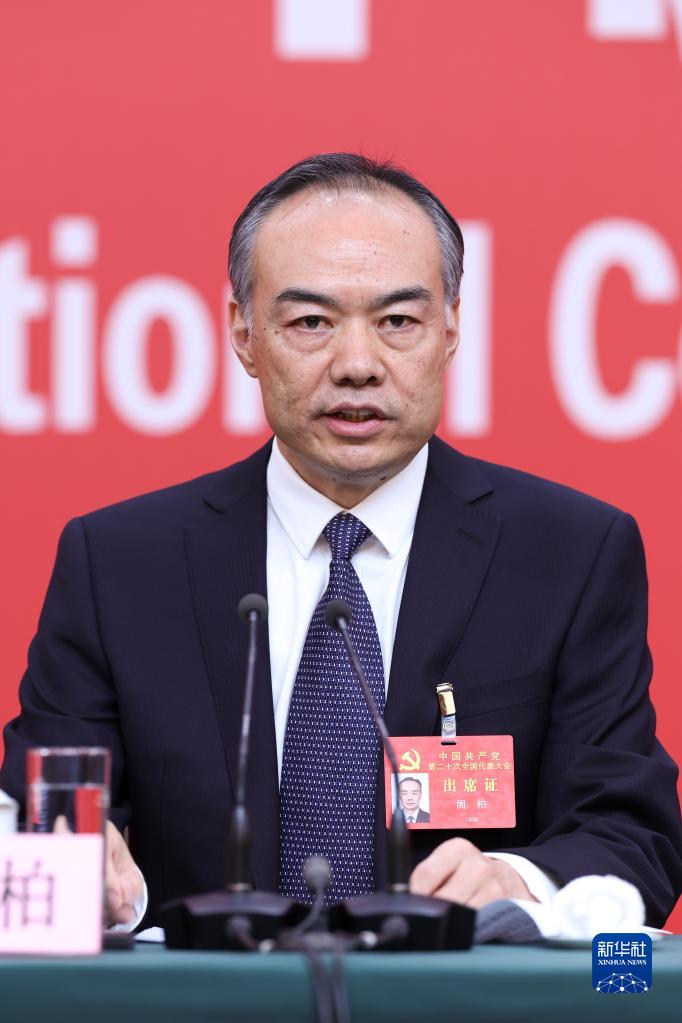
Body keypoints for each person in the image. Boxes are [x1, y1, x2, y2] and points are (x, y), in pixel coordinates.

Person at [1, 154, 681, 926]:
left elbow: (631, 834)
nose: (358, 365)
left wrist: (518, 883)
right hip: (202, 989)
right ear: (243, 334)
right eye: (311, 323)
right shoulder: (120, 564)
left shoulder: (568, 555)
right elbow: (36, 815)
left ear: (451, 328)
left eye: (398, 322)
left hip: (460, 989)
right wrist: (77, 870)